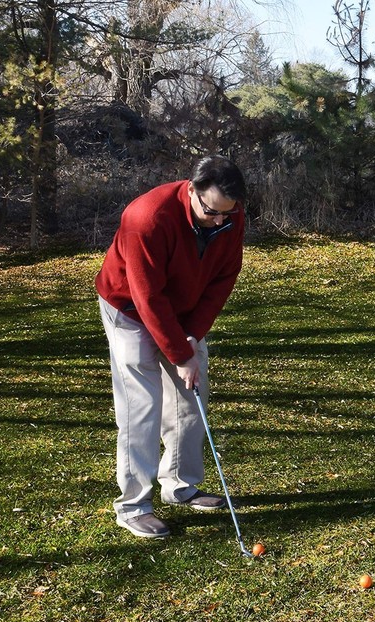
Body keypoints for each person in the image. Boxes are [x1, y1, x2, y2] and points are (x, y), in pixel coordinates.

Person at [95, 155, 247, 538]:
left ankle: (180, 485)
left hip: (183, 310)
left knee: (191, 396)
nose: (220, 221)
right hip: (129, 309)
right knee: (142, 405)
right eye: (211, 212)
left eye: (227, 213)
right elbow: (147, 297)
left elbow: (223, 279)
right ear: (191, 189)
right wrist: (179, 354)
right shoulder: (146, 218)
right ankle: (133, 506)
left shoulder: (230, 216)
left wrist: (191, 337)